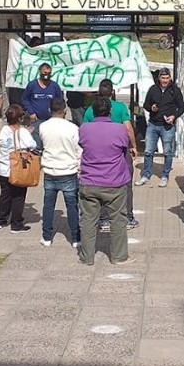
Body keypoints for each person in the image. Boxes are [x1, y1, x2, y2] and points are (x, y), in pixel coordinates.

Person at [77, 96, 134, 265]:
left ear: (92, 112)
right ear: (110, 111)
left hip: (89, 180)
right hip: (114, 181)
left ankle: (87, 257)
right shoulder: (119, 129)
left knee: (88, 220)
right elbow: (124, 147)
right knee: (118, 219)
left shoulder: (84, 129)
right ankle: (119, 256)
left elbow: (81, 145)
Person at [83, 79, 139, 230]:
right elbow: (128, 128)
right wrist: (133, 146)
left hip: (98, 152)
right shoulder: (120, 107)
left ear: (98, 92)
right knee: (126, 183)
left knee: (100, 181)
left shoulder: (90, 110)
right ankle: (128, 217)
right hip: (119, 151)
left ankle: (104, 218)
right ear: (113, 92)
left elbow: (84, 131)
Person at [39, 98, 82, 247]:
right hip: (68, 171)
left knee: (48, 205)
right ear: (64, 111)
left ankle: (46, 237)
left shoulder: (43, 127)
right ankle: (76, 238)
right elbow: (79, 150)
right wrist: (79, 167)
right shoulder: (72, 128)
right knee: (72, 206)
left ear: (50, 110)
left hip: (50, 170)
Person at [136, 67, 184, 187]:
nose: (165, 80)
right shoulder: (153, 89)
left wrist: (174, 116)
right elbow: (145, 105)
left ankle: (165, 176)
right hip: (153, 124)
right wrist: (151, 107)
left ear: (170, 78)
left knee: (168, 152)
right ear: (159, 78)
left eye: (167, 78)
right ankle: (146, 175)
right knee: (148, 151)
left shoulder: (175, 90)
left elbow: (182, 107)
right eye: (163, 78)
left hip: (167, 126)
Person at [0, 104, 37, 233]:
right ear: (20, 119)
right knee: (18, 196)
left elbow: (2, 142)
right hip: (18, 168)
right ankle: (16, 223)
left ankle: (1, 220)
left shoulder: (4, 130)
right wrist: (28, 133)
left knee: (5, 194)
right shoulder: (23, 132)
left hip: (3, 167)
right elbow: (32, 145)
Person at [21, 62, 63, 148]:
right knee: (36, 144)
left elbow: (60, 101)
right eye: (45, 73)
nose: (46, 75)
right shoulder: (32, 85)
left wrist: (57, 114)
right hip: (36, 120)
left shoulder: (54, 86)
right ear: (40, 72)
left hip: (50, 120)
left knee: (50, 144)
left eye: (49, 73)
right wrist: (31, 112)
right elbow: (24, 99)